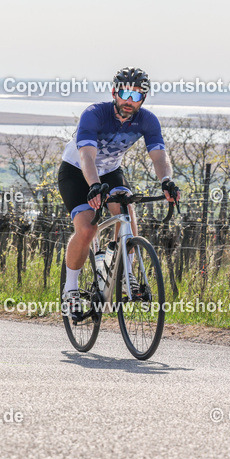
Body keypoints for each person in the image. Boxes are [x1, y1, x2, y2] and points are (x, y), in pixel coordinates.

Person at [58, 67, 180, 315]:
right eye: (125, 93)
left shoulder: (147, 120)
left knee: (126, 210)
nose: (129, 100)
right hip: (77, 171)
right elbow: (87, 155)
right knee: (87, 229)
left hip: (111, 172)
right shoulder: (95, 114)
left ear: (143, 99)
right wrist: (93, 186)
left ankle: (126, 274)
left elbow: (158, 155)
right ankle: (70, 289)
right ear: (114, 92)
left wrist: (166, 180)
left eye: (136, 96)